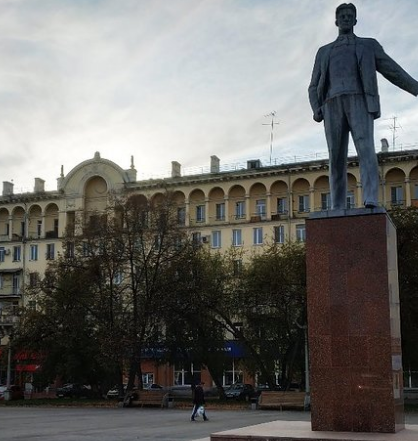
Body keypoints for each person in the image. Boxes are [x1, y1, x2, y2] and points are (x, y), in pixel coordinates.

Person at [308, 3, 418, 210]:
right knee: (336, 156)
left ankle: (370, 199)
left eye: (350, 16)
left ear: (356, 21)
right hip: (331, 103)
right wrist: (316, 108)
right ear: (336, 21)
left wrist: (415, 87)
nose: (346, 18)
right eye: (343, 16)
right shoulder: (324, 51)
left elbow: (392, 70)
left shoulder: (368, 45)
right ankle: (337, 205)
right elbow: (313, 85)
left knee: (366, 151)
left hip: (360, 100)